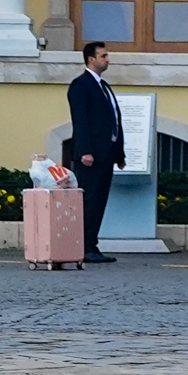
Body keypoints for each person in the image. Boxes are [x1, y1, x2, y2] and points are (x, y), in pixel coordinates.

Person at [64, 41, 127, 264]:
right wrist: (85, 151)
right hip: (91, 156)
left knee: (99, 201)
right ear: (91, 59)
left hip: (105, 154)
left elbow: (113, 121)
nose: (108, 59)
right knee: (89, 201)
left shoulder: (103, 86)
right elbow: (80, 121)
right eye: (104, 56)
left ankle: (92, 244)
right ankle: (84, 246)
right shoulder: (80, 85)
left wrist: (119, 154)